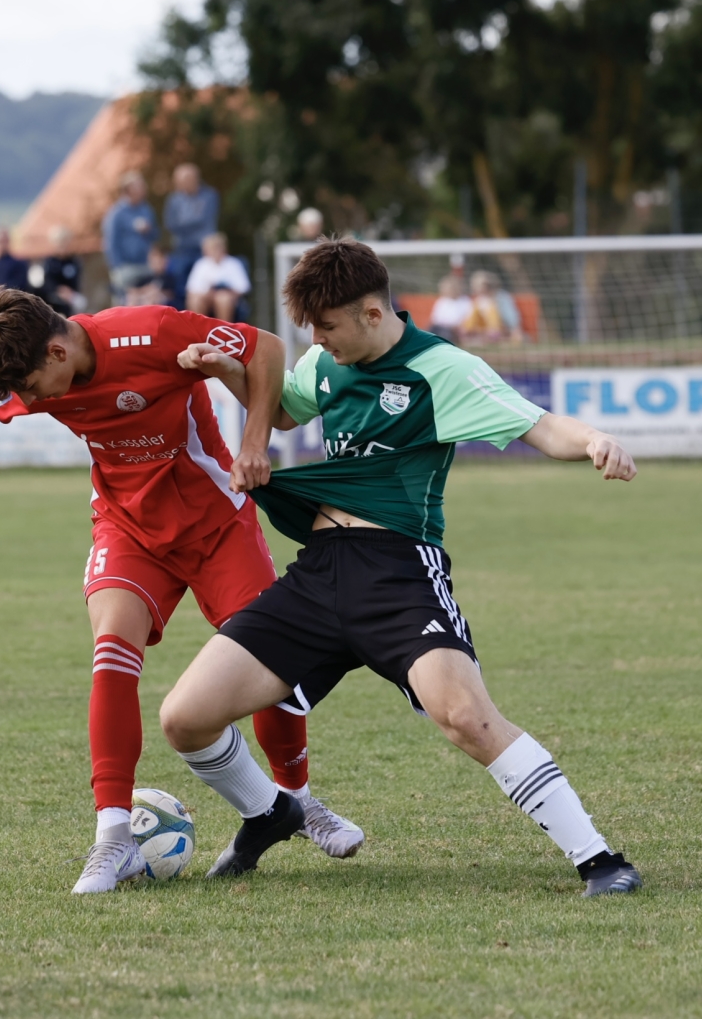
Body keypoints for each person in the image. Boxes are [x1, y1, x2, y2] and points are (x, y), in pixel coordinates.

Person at [159, 237, 643, 897]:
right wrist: (225, 370)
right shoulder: (325, 362)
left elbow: (540, 425)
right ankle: (272, 812)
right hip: (318, 575)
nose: (318, 342)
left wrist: (595, 440)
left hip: (398, 575)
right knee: (185, 716)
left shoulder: (442, 369)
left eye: (327, 327)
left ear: (372, 313)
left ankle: (601, 861)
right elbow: (288, 409)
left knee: (466, 717)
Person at [0, 288, 363, 894]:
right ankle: (113, 837)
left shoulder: (152, 332)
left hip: (216, 522)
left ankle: (298, 800)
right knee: (111, 650)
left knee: (270, 660)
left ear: (58, 352)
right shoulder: (36, 369)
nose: (29, 402)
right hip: (127, 526)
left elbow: (263, 347)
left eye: (31, 388)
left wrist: (252, 444)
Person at [163, 164, 220, 302]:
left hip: (204, 251)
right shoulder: (174, 200)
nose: (179, 186)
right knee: (179, 287)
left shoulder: (210, 196)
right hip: (181, 251)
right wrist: (194, 221)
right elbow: (171, 224)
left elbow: (206, 222)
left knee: (205, 286)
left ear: (194, 178)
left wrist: (184, 224)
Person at [102, 172, 159, 297]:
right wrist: (117, 267)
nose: (144, 189)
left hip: (145, 265)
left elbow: (155, 236)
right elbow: (110, 242)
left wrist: (149, 230)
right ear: (128, 189)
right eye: (140, 186)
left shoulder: (146, 210)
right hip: (125, 268)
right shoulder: (116, 213)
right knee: (127, 302)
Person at [185, 233, 250, 322]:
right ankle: (197, 329)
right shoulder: (201, 264)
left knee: (223, 299)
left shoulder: (234, 264)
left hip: (227, 297)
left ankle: (223, 329)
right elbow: (192, 289)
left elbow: (243, 287)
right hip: (205, 296)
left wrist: (222, 293)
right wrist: (208, 294)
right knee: (195, 301)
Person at [41, 226, 87, 316]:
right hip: (53, 294)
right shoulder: (50, 261)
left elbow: (76, 281)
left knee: (80, 302)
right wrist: (59, 290)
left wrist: (69, 292)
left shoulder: (74, 261)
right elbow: (48, 281)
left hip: (70, 295)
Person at [469, 270, 522, 344]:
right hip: (482, 332)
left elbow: (512, 319)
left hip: (502, 330)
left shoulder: (502, 298)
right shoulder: (478, 301)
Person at [428, 274, 472, 343]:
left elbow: (467, 319)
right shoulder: (442, 301)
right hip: (441, 328)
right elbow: (435, 319)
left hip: (456, 330)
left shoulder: (465, 301)